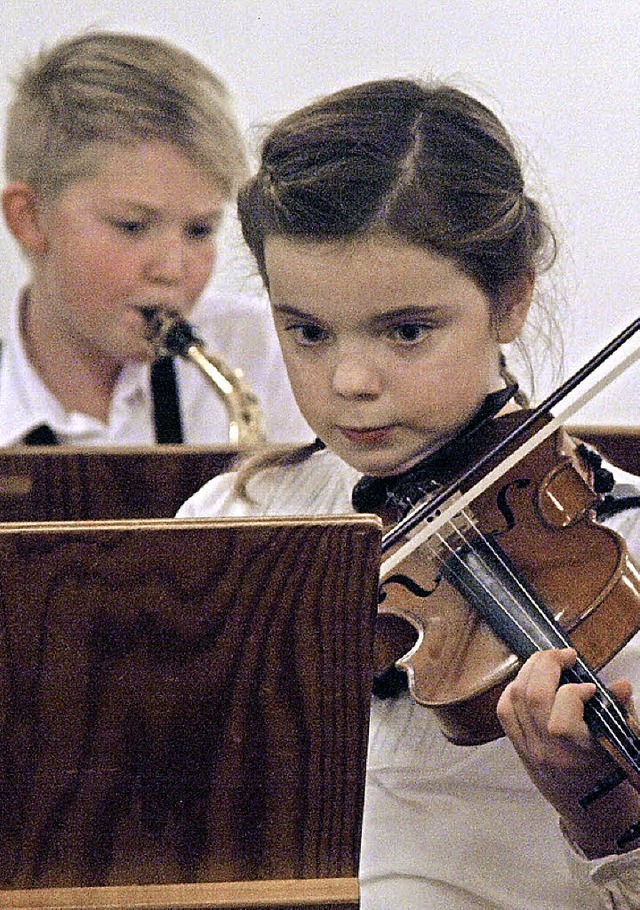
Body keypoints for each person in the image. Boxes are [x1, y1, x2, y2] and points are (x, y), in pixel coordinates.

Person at [176, 78, 640, 908]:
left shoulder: (623, 551)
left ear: (511, 299)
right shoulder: (231, 527)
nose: (351, 382)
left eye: (407, 330)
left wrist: (600, 813)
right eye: (308, 331)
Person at [0, 30, 311, 446]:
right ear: (29, 219)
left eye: (200, 230)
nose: (172, 270)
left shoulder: (267, 352)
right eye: (132, 225)